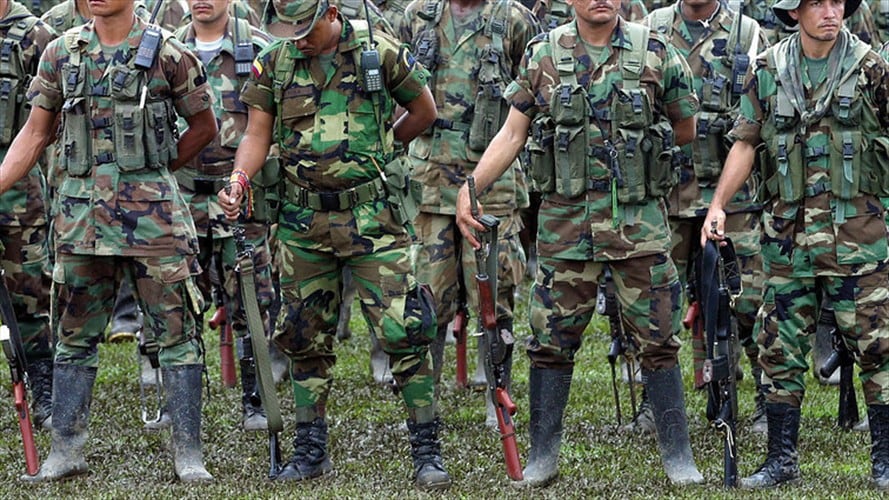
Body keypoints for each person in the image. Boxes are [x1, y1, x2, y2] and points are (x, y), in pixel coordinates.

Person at [455, 0, 702, 487]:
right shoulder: (543, 54)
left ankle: (678, 456)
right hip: (566, 229)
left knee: (659, 339)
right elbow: (513, 132)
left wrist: (637, 157)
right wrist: (472, 188)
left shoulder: (656, 51)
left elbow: (685, 127)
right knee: (550, 341)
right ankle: (543, 455)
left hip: (638, 228)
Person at [219, 0, 447, 489]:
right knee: (303, 334)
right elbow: (257, 133)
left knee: (403, 328)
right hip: (302, 222)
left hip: (373, 218)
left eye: (306, 28)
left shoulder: (379, 51)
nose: (298, 39)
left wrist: (383, 150)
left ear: (332, 12)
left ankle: (426, 448)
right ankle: (310, 449)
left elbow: (424, 110)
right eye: (289, 30)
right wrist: (240, 179)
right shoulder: (275, 62)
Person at [0, 0, 217, 482]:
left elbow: (205, 127)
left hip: (154, 223)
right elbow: (34, 133)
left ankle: (188, 455)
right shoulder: (60, 53)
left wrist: (152, 172)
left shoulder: (169, 54)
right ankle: (66, 450)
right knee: (73, 336)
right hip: (81, 222)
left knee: (177, 335)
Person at [701, 0, 889, 490]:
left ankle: (885, 461)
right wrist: (719, 204)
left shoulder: (871, 67)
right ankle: (780, 461)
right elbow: (746, 141)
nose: (830, 12)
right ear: (793, 12)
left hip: (859, 238)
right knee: (779, 348)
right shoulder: (768, 69)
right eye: (816, 3)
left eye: (836, 2)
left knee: (877, 346)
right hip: (788, 240)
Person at [400, 0, 539, 426]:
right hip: (429, 179)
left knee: (495, 294)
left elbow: (529, 100)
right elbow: (398, 90)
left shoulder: (514, 20)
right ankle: (423, 406)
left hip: (491, 180)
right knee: (426, 297)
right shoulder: (417, 15)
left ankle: (498, 398)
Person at [640, 0, 768, 434]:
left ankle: (766, 396)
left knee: (748, 299)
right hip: (667, 190)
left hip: (732, 193)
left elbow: (760, 112)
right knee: (656, 301)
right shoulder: (653, 27)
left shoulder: (747, 32)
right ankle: (656, 400)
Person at [175, 0, 274, 432]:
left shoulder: (261, 52)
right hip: (182, 199)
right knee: (178, 306)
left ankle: (256, 400)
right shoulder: (164, 51)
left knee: (253, 301)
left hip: (241, 199)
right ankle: (182, 404)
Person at [0, 0, 56, 432]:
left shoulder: (35, 37)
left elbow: (51, 122)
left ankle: (43, 388)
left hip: (18, 190)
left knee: (29, 294)